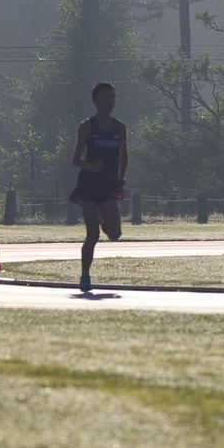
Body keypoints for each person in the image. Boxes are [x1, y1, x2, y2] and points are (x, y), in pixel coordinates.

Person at [69, 81, 128, 294]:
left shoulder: (120, 128)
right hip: (88, 186)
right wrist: (90, 165)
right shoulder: (86, 127)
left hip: (109, 186)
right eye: (106, 98)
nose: (110, 102)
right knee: (92, 234)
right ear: (96, 101)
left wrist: (121, 180)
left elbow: (124, 156)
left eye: (112, 97)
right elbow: (75, 159)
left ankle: (103, 217)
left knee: (114, 233)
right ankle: (85, 275)